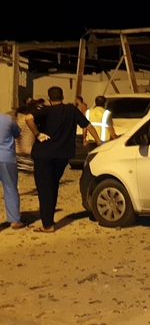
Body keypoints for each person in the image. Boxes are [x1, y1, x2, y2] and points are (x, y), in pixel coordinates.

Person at [24, 86, 102, 233]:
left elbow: (28, 118)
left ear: (49, 99)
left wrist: (37, 134)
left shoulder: (46, 111)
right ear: (63, 97)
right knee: (53, 186)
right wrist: (98, 142)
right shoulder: (72, 110)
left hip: (44, 155)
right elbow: (88, 126)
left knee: (44, 189)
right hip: (63, 155)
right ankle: (49, 220)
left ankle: (48, 224)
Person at [1, 112, 23, 229]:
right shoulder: (8, 119)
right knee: (10, 188)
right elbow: (17, 133)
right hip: (7, 157)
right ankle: (14, 219)